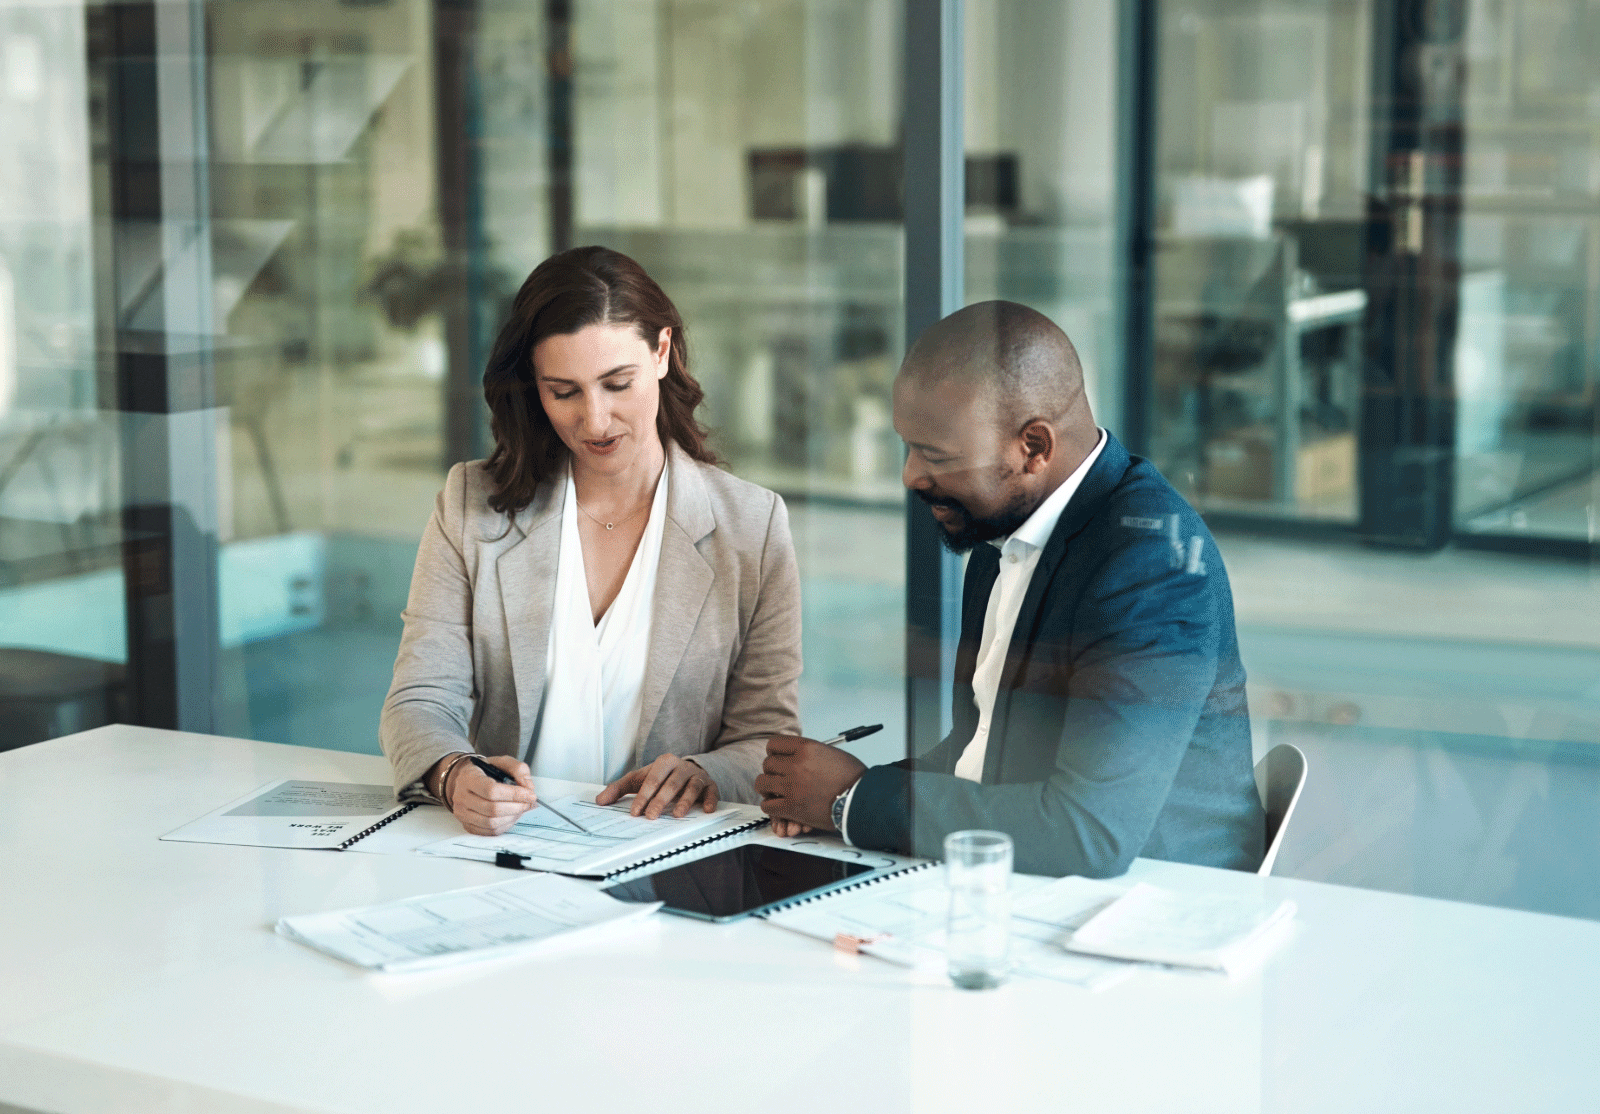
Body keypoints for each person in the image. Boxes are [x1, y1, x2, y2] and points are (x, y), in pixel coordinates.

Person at [755, 301, 1264, 877]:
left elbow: (1087, 834)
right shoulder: (1007, 530)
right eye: (908, 445)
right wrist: (837, 793)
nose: (911, 476)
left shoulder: (1150, 569)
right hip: (1039, 885)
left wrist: (855, 801)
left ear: (1034, 448)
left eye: (936, 455)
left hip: (1156, 907)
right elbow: (981, 749)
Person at [381, 246, 802, 836]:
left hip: (666, 853)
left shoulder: (752, 526)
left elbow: (768, 738)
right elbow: (420, 699)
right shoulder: (470, 505)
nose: (596, 421)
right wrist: (452, 773)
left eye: (617, 383)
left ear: (661, 352)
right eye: (564, 392)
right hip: (505, 850)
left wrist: (706, 772)